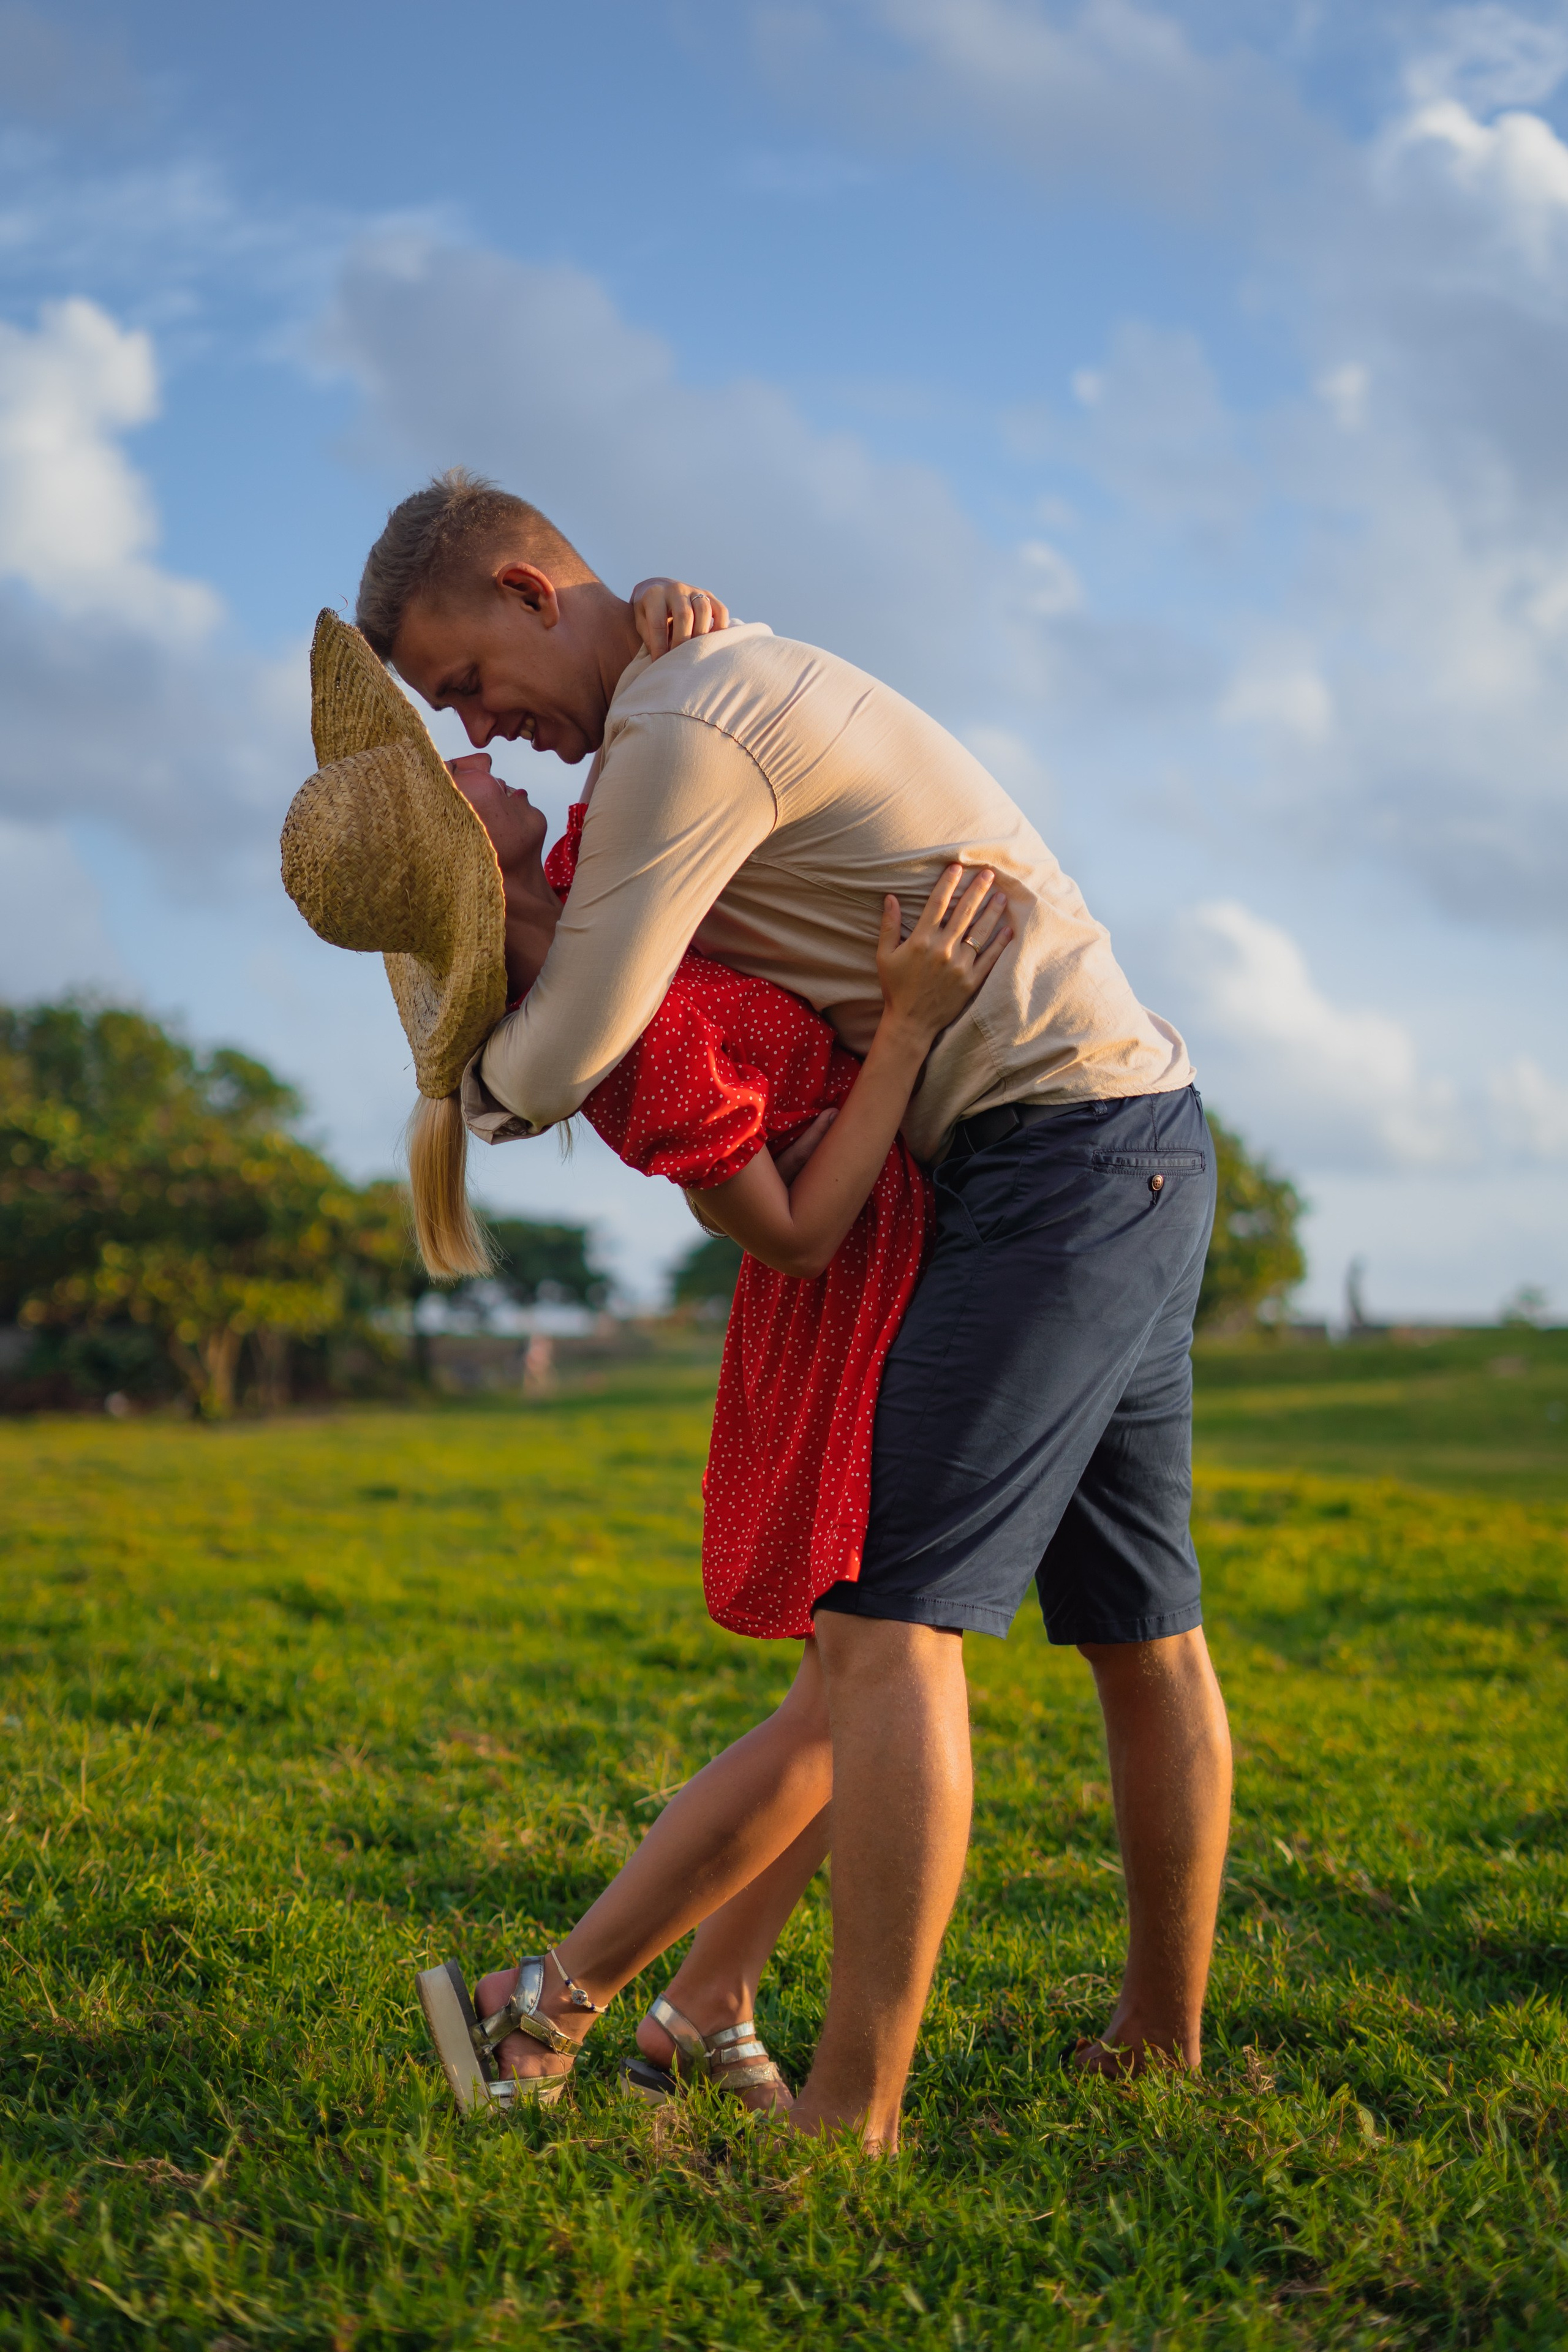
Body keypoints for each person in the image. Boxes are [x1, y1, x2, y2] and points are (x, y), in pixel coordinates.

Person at [349, 469, 1232, 2154]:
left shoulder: (680, 722)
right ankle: (1146, 2042)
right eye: (449, 728)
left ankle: (849, 2109)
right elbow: (593, 1017)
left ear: (533, 591)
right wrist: (489, 1051)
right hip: (1109, 1135)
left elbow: (572, 1033)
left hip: (1053, 1152)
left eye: (462, 685)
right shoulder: (664, 735)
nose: (477, 733)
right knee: (1130, 1630)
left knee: (896, 1639)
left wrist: (479, 1077)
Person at [282, 608, 1009, 2117]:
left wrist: (683, 613)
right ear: (461, 858)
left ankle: (708, 2007)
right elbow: (800, 1232)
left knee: (854, 1692)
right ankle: (545, 2008)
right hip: (843, 1299)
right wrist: (905, 1035)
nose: (481, 757)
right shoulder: (626, 1044)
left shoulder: (581, 885)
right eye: (457, 780)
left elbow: (669, 761)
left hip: (895, 1276)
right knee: (854, 1693)